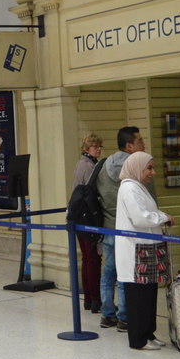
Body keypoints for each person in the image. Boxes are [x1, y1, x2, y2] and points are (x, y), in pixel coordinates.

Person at [115, 151, 173, 350]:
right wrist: (163, 217)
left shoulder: (139, 187)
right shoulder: (129, 188)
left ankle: (148, 333)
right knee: (138, 297)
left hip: (146, 248)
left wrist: (160, 216)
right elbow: (140, 217)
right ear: (137, 168)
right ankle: (138, 339)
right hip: (136, 251)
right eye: (149, 168)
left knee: (149, 293)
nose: (152, 172)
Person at [95, 126, 148, 331]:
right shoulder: (137, 169)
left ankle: (107, 314)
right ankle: (125, 317)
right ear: (129, 146)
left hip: (107, 228)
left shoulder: (103, 165)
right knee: (126, 274)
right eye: (140, 140)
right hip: (128, 229)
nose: (143, 144)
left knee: (108, 273)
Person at [71, 132, 103, 313]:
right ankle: (95, 299)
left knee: (87, 258)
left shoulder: (82, 164)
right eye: (94, 147)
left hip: (79, 215)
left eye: (99, 146)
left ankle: (89, 299)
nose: (98, 149)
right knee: (92, 259)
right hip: (86, 216)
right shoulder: (88, 166)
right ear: (86, 149)